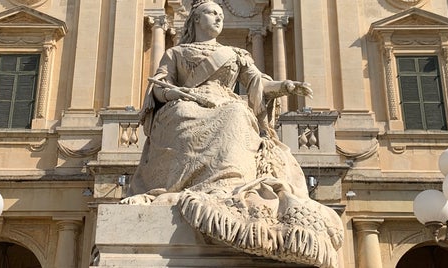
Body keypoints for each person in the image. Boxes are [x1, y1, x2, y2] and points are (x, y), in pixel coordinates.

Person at [120, 1, 343, 267]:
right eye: (211, 13)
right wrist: (172, 94)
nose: (218, 18)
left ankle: (227, 184)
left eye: (221, 15)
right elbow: (159, 85)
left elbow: (257, 83)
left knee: (236, 113)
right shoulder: (176, 52)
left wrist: (286, 85)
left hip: (225, 104)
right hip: (185, 106)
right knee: (181, 112)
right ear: (195, 20)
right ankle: (186, 184)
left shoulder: (235, 54)